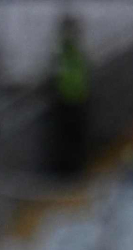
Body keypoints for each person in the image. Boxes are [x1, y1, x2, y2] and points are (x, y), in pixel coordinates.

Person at [46, 12, 91, 178]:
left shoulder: (74, 53)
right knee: (65, 140)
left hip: (76, 100)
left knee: (74, 140)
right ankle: (66, 171)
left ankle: (75, 169)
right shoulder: (63, 53)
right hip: (66, 102)